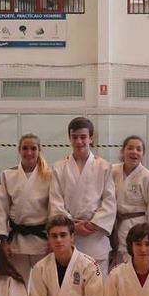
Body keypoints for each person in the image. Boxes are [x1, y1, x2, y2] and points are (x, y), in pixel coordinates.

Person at [49, 117, 116, 276]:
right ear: (69, 138)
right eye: (75, 137)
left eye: (83, 137)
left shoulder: (104, 166)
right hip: (70, 236)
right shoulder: (59, 167)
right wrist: (72, 226)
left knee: (99, 289)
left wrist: (93, 224)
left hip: (95, 236)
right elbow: (55, 201)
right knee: (71, 288)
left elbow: (109, 201)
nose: (79, 141)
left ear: (91, 138)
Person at [0, 133, 51, 282]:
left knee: (43, 284)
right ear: (19, 150)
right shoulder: (8, 175)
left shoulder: (50, 175)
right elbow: (0, 210)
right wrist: (3, 241)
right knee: (18, 283)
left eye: (33, 148)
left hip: (42, 241)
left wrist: (53, 239)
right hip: (17, 241)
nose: (29, 152)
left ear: (39, 150)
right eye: (25, 148)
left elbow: (54, 208)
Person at [111, 135, 149, 267]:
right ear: (123, 151)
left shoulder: (147, 177)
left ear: (142, 154)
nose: (134, 152)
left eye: (138, 149)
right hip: (114, 225)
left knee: (134, 265)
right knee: (116, 267)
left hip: (137, 227)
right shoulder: (113, 171)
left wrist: (148, 233)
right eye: (130, 148)